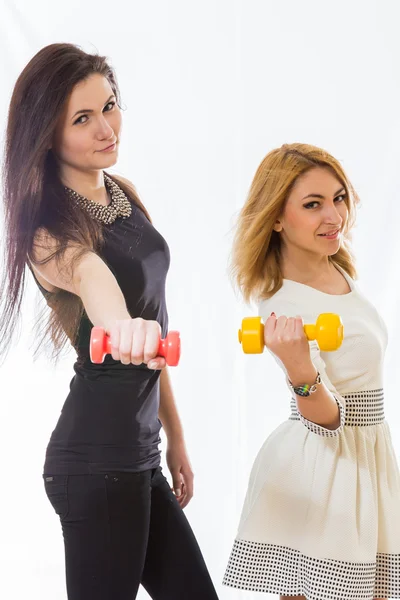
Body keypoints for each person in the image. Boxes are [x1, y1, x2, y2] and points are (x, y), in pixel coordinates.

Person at [0, 43, 219, 600]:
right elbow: (96, 279)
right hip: (95, 460)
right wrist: (121, 327)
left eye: (110, 105)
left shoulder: (124, 197)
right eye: (82, 118)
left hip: (139, 455)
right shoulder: (48, 232)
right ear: (48, 136)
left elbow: (154, 324)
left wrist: (177, 440)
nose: (106, 128)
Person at [222, 143, 400, 600]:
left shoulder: (337, 269)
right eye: (313, 204)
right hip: (325, 465)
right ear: (277, 218)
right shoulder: (283, 305)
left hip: (368, 457)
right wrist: (301, 369)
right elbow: (327, 418)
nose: (334, 216)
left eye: (339, 198)